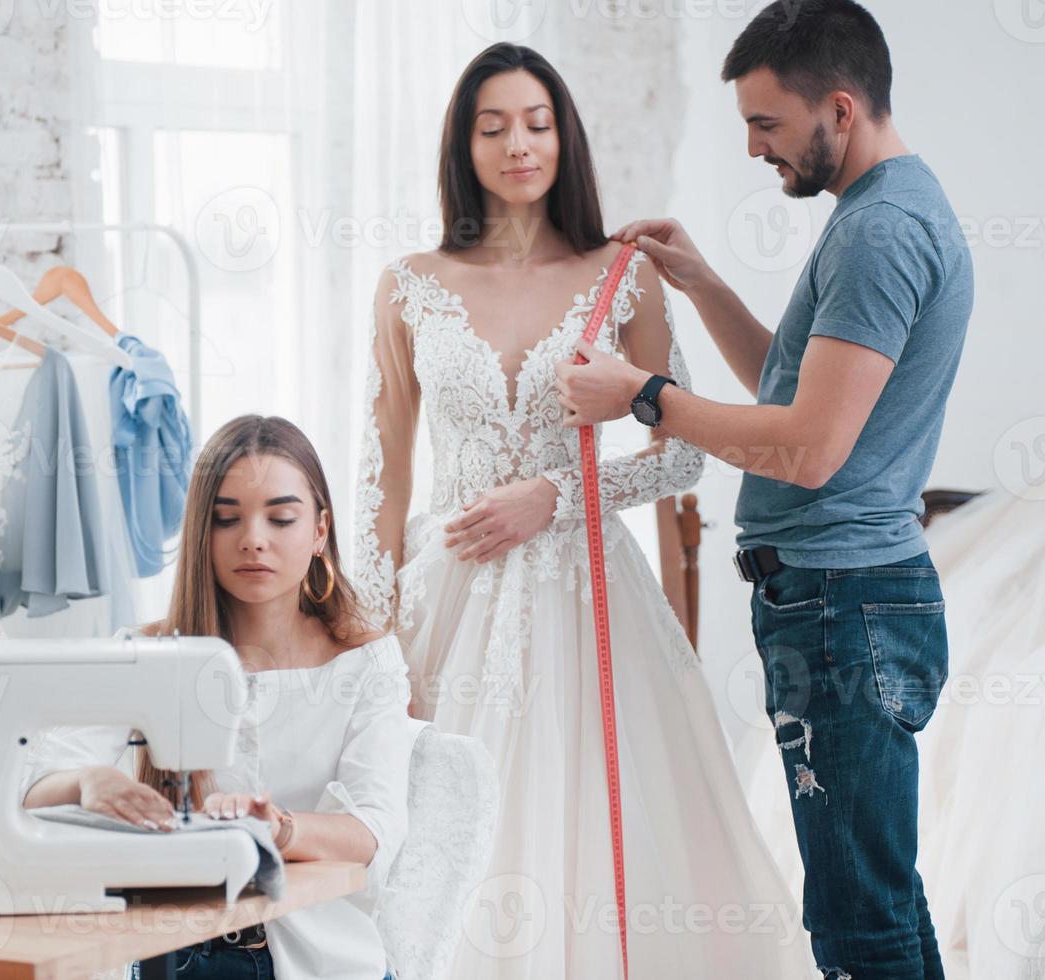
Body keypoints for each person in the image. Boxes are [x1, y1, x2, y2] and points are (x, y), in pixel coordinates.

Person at [354, 41, 812, 978]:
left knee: (603, 832)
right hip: (445, 597)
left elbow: (680, 450)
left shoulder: (623, 275)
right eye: (492, 127)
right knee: (440, 839)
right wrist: (370, 636)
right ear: (462, 144)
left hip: (588, 597)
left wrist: (555, 495)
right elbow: (381, 474)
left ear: (563, 135)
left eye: (536, 122)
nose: (517, 144)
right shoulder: (407, 284)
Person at [556, 3, 973, 977]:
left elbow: (808, 450)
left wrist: (647, 396)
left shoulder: (880, 234)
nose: (751, 148)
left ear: (839, 107)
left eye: (766, 124)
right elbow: (792, 389)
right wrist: (703, 283)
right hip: (841, 601)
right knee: (878, 898)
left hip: (843, 604)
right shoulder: (877, 215)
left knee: (855, 917)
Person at [23, 415, 411, 980]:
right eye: (227, 519)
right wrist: (85, 782)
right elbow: (34, 785)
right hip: (177, 955)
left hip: (324, 961)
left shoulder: (366, 663)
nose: (254, 538)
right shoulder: (147, 653)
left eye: (281, 518)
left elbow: (374, 831)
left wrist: (278, 829)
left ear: (321, 529)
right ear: (202, 532)